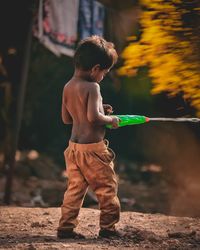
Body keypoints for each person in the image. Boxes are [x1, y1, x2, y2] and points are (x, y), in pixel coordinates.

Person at [57, 35, 121, 239]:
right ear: (95, 69)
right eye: (104, 72)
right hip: (93, 151)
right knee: (107, 188)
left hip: (74, 149)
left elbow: (67, 119)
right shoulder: (93, 87)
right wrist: (110, 120)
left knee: (74, 190)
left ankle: (65, 228)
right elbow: (94, 118)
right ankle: (108, 229)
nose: (103, 76)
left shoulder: (67, 86)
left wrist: (101, 109)